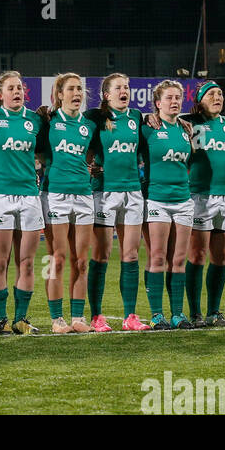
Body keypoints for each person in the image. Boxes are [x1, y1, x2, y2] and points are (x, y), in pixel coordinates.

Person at [0, 71, 45, 335]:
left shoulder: (36, 120)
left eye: (19, 87)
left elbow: (46, 150)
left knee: (27, 261)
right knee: (0, 261)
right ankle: (1, 320)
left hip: (29, 195)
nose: (17, 92)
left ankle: (21, 319)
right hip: (0, 196)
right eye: (11, 88)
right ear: (0, 94)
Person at [86, 73, 151, 331]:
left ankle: (130, 316)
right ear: (106, 94)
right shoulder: (95, 118)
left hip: (132, 192)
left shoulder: (136, 117)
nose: (124, 90)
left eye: (127, 86)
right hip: (104, 193)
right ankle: (96, 316)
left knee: (131, 254)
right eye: (119, 87)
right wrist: (89, 165)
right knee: (101, 255)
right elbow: (83, 147)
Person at [37, 73, 98, 333]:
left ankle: (77, 318)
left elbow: (94, 153)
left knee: (81, 260)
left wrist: (92, 167)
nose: (77, 93)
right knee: (57, 258)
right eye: (71, 89)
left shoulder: (90, 125)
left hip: (84, 195)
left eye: (80, 89)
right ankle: (56, 319)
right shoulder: (47, 122)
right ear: (59, 95)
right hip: (55, 194)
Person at [139, 80, 196, 329]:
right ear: (158, 103)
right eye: (169, 98)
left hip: (183, 200)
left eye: (178, 98)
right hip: (157, 199)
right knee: (158, 257)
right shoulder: (147, 128)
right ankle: (156, 315)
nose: (174, 102)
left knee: (179, 259)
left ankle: (178, 314)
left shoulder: (186, 130)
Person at [182, 80, 225, 327]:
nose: (217, 97)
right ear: (200, 100)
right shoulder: (190, 123)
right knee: (197, 255)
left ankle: (213, 312)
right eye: (211, 94)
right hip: (200, 196)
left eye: (220, 94)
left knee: (222, 257)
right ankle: (195, 313)